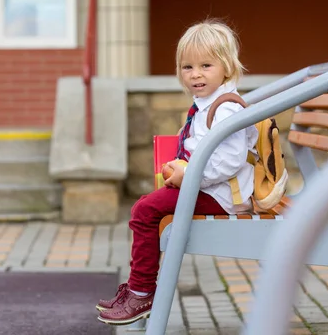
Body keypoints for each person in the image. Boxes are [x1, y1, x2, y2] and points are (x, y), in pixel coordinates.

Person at [97, 19, 258, 325]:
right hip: (205, 186)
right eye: (187, 67)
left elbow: (230, 161)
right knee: (146, 206)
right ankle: (136, 288)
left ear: (226, 66)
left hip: (219, 194)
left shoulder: (225, 109)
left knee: (144, 211)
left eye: (206, 65)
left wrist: (189, 174)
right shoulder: (206, 103)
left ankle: (142, 293)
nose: (196, 74)